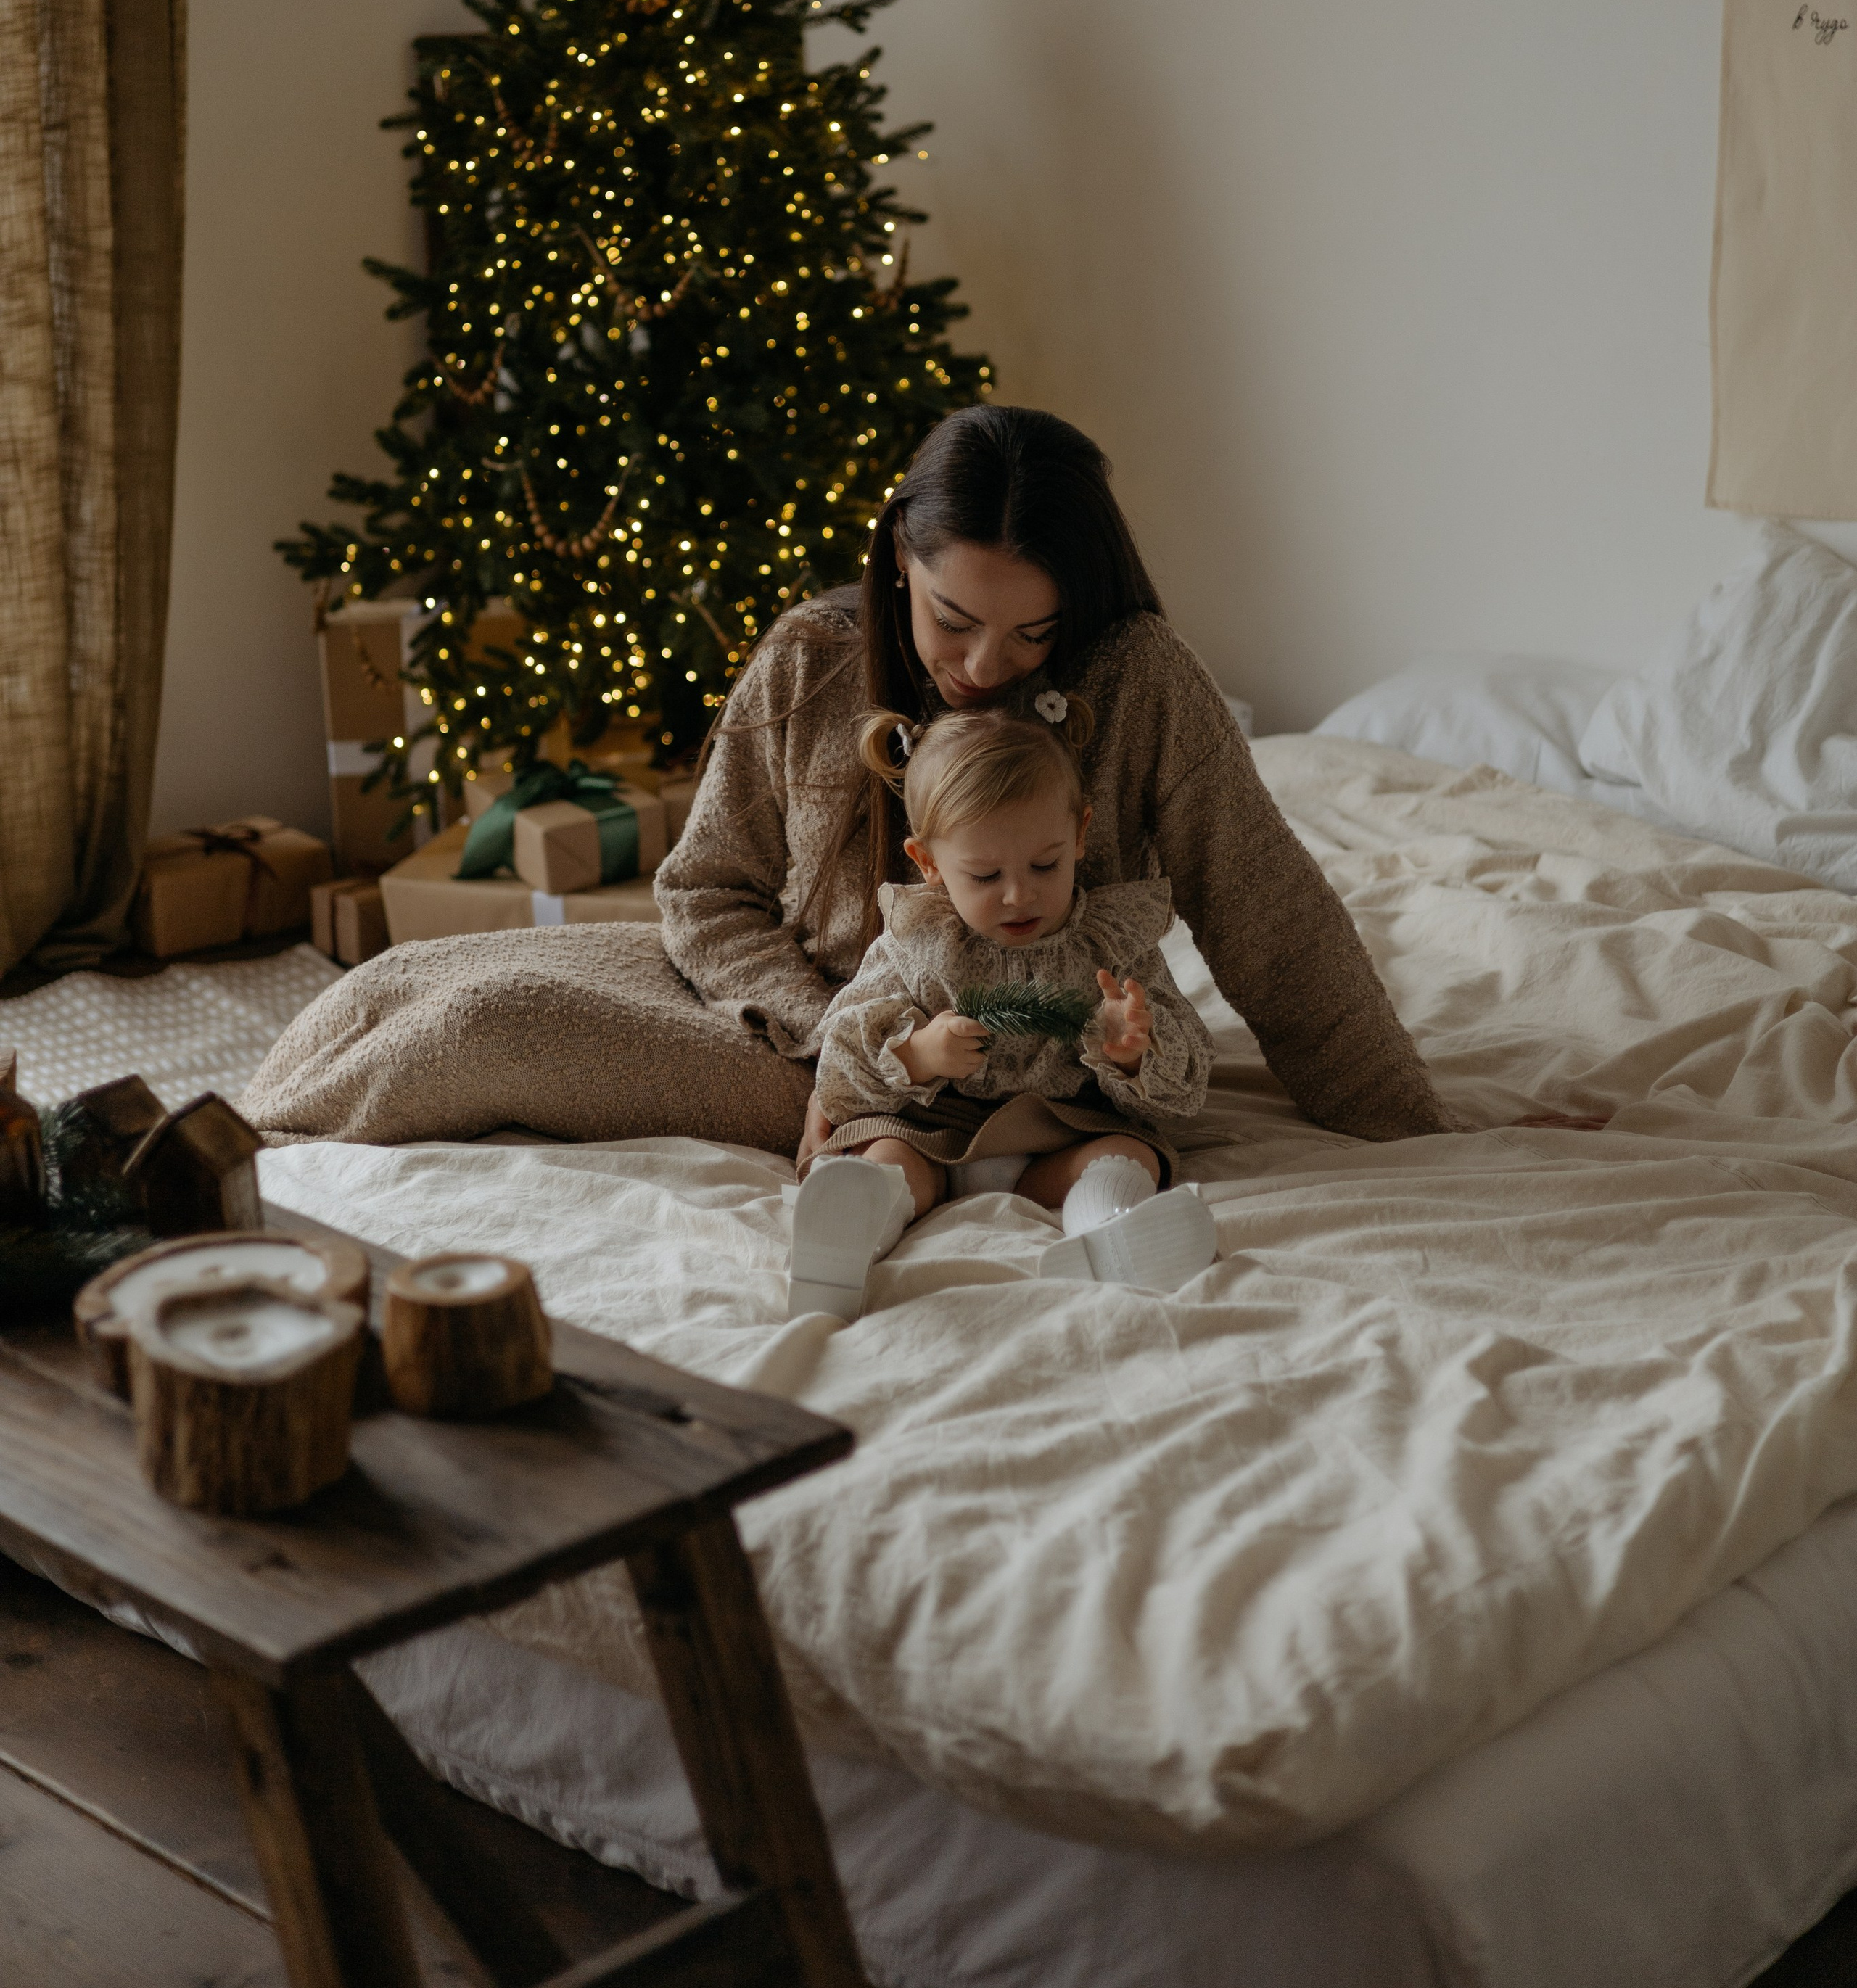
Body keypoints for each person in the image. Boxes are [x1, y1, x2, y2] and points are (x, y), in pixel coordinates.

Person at [240, 405, 1440, 1152]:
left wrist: (1408, 1119)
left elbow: (1270, 911)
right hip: (828, 1031)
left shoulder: (1142, 679)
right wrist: (835, 1042)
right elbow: (705, 891)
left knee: (487, 1029)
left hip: (1012, 1067)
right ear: (899, 556)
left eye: (1033, 634)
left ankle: (243, 1152)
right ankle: (241, 1120)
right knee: (412, 979)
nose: (986, 668)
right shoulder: (810, 658)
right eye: (955, 621)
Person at [788, 701, 1218, 1320]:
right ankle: (845, 1241)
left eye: (1046, 865)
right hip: (931, 1135)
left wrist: (1134, 1051)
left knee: (1132, 1155)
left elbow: (1190, 1080)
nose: (1020, 895)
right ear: (929, 864)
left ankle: (1111, 1231)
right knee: (882, 1157)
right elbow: (841, 1055)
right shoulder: (917, 941)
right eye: (985, 875)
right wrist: (918, 1053)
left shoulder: (1112, 943)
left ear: (1080, 834)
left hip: (1060, 1139)